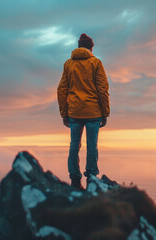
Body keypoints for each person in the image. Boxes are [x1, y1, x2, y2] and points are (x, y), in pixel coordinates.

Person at [57, 33, 110, 190]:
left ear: (79, 47)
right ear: (91, 48)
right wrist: (105, 112)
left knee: (74, 145)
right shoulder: (96, 63)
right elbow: (103, 88)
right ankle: (92, 177)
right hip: (93, 112)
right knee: (92, 145)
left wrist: (64, 113)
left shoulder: (68, 64)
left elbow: (61, 90)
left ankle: (74, 178)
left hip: (74, 112)